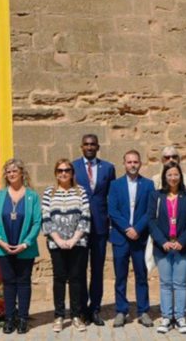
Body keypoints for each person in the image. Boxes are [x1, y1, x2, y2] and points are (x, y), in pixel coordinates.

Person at [0, 159, 41, 334]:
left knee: (24, 283)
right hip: (3, 247)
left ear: (22, 173)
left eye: (14, 171)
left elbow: (36, 222)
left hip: (25, 248)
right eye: (8, 171)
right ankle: (9, 319)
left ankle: (23, 319)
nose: (11, 174)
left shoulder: (32, 196)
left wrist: (26, 243)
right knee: (9, 283)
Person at [148, 162, 186, 334]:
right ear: (164, 177)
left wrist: (182, 241)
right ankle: (166, 317)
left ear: (180, 176)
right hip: (163, 246)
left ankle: (180, 317)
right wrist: (162, 241)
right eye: (169, 174)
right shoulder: (156, 196)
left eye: (176, 174)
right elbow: (150, 220)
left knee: (180, 283)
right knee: (165, 283)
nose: (173, 178)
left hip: (182, 246)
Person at [107, 150, 155, 328]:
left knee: (141, 275)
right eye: (129, 162)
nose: (132, 165)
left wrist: (138, 229)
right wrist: (128, 228)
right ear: (124, 164)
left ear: (140, 163)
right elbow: (112, 210)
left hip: (140, 238)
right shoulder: (115, 185)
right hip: (121, 237)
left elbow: (150, 211)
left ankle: (143, 311)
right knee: (121, 276)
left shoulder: (148, 184)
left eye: (135, 162)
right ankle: (121, 310)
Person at [42, 159, 91, 333]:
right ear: (56, 173)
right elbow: (46, 217)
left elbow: (85, 215)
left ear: (72, 173)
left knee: (77, 278)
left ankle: (77, 316)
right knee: (60, 278)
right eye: (60, 170)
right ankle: (59, 316)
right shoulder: (49, 192)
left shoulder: (81, 192)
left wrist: (74, 239)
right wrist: (59, 240)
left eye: (67, 170)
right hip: (56, 244)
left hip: (78, 243)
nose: (63, 173)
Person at [72, 134, 115, 325]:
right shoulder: (72, 167)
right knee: (79, 270)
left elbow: (111, 197)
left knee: (97, 270)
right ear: (81, 147)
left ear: (98, 147)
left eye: (93, 145)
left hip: (99, 226)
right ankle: (81, 310)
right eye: (86, 144)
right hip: (79, 227)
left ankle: (95, 309)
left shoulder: (108, 168)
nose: (89, 147)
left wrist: (111, 223)